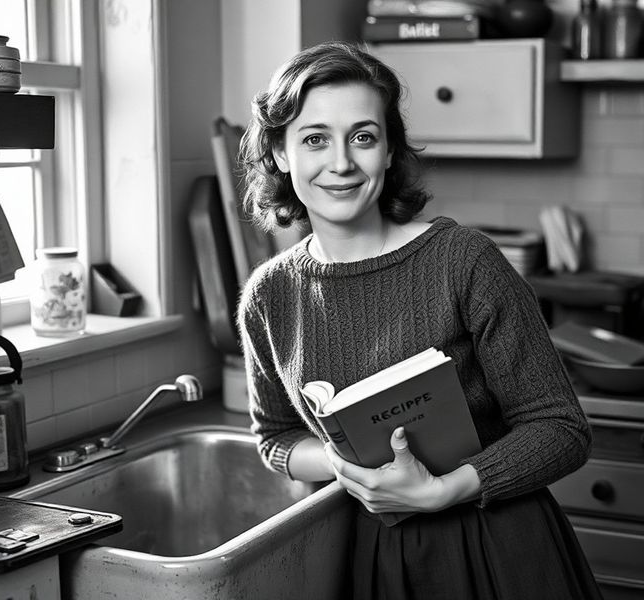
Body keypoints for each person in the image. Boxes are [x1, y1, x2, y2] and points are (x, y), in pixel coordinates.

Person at [237, 41, 602, 599]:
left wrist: (444, 490)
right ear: (281, 155)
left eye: (363, 137)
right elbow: (275, 439)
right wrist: (341, 460)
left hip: (498, 547)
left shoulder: (464, 261)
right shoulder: (270, 295)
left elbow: (562, 430)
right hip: (371, 559)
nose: (341, 163)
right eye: (315, 139)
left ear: (388, 152)